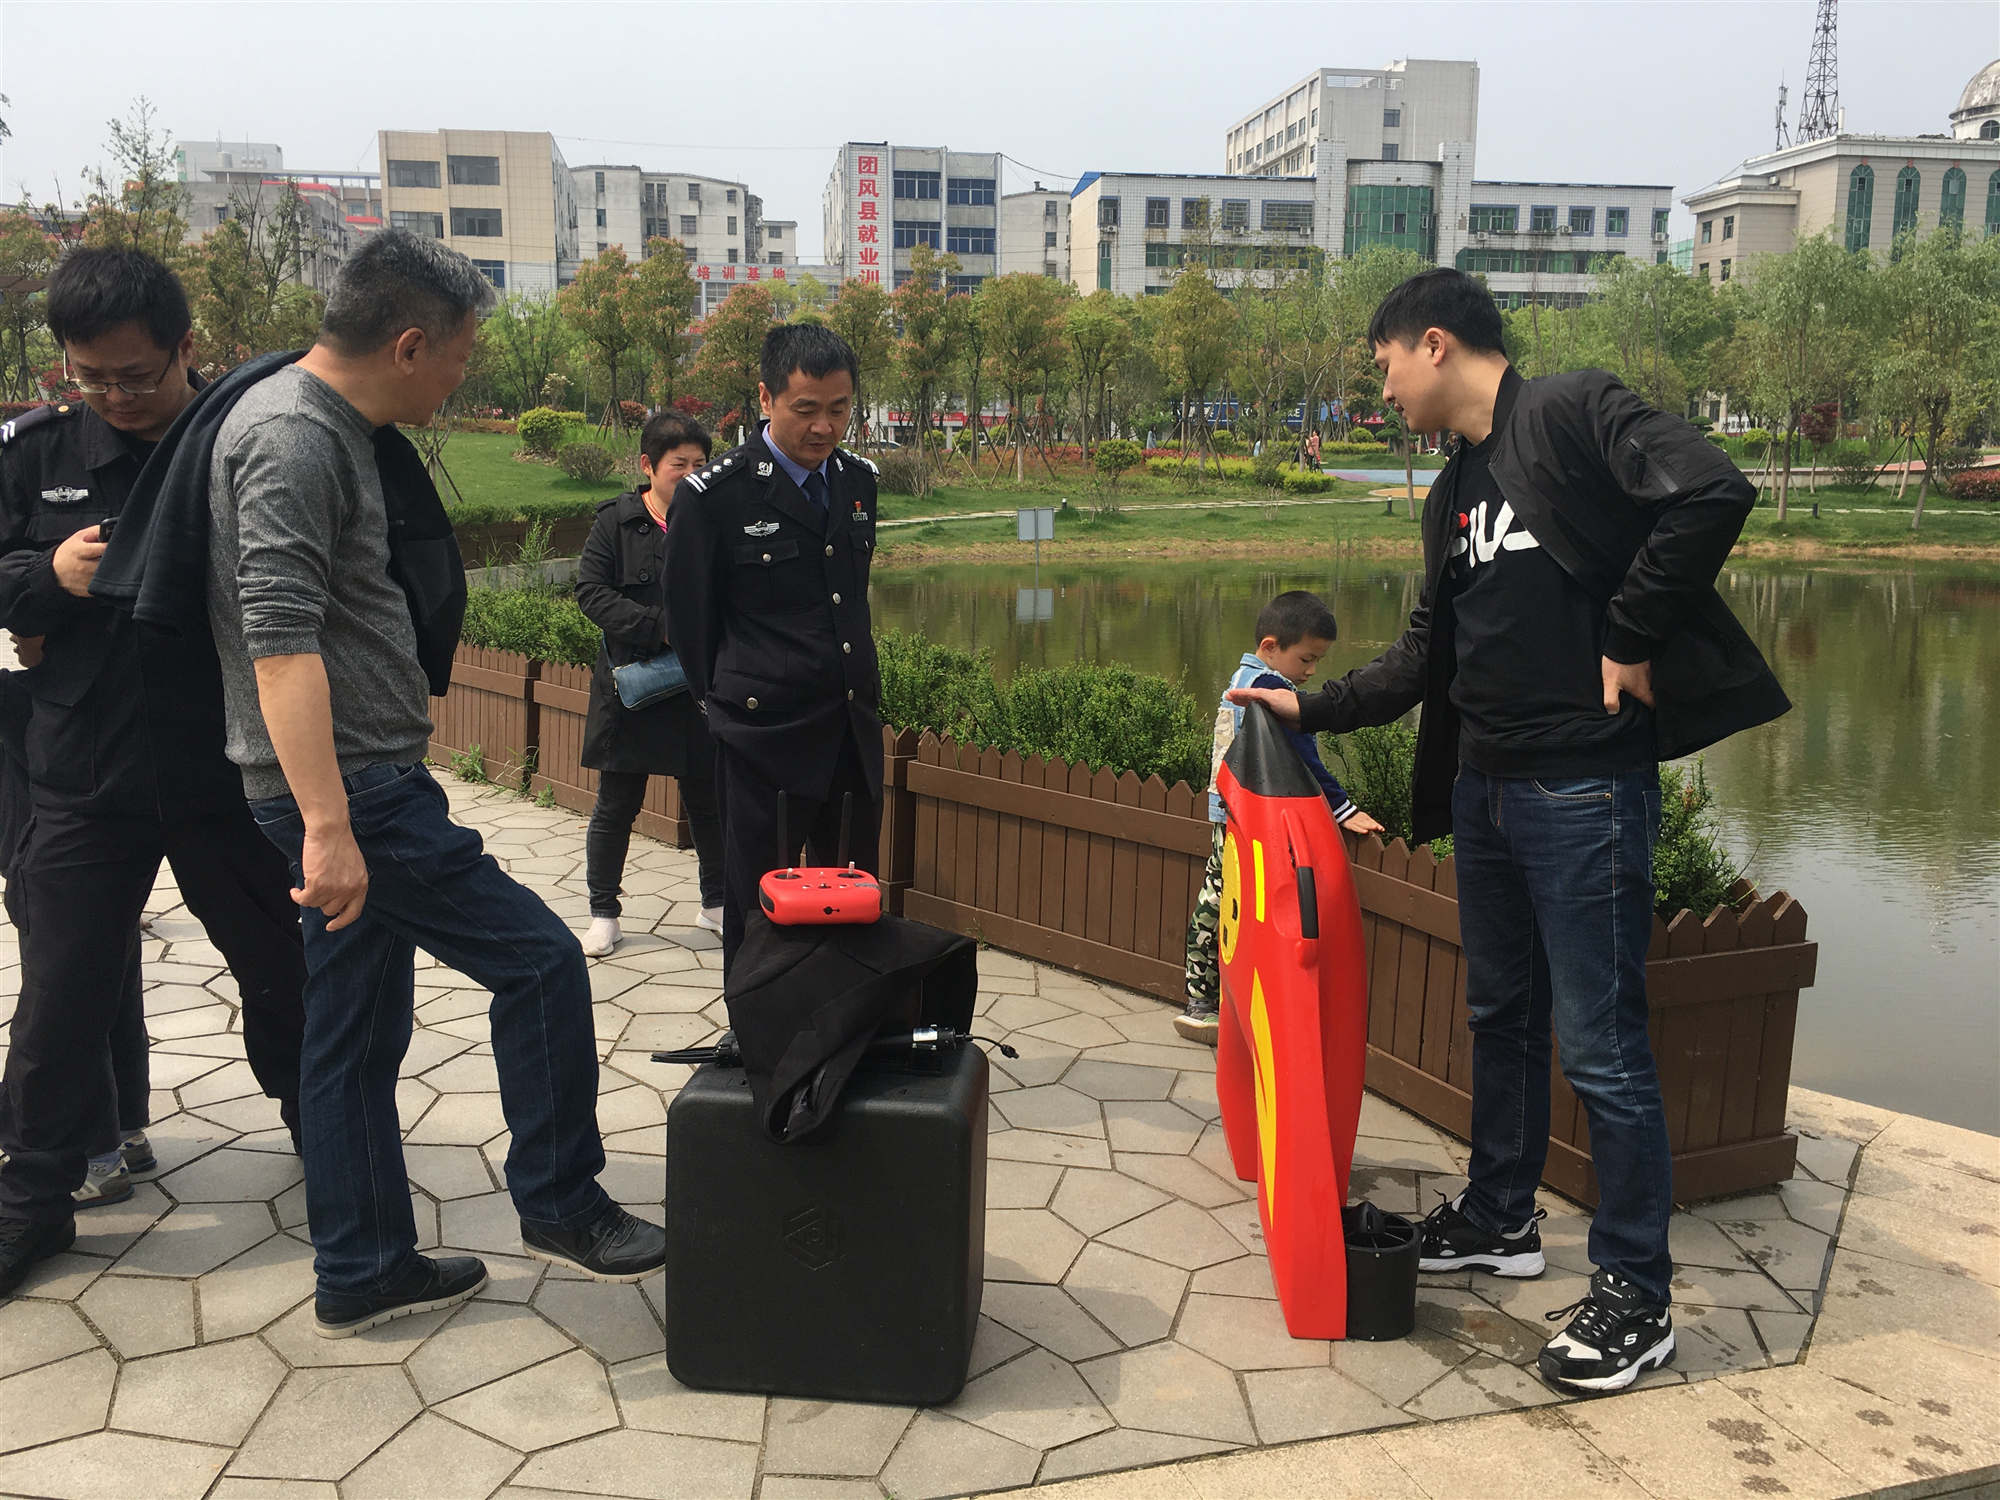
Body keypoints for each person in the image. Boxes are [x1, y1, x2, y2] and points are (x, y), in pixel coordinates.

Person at [1229, 268, 1787, 1395]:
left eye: (1383, 363)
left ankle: (1636, 1294)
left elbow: (1708, 490)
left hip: (1583, 790)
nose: (1381, 387)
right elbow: (1422, 653)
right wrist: (1310, 708)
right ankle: (1499, 1217)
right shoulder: (1452, 491)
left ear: (1433, 342)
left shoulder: (1570, 411)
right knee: (1502, 1020)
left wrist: (1629, 634)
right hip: (1485, 791)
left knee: (1602, 1048)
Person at [202, 230, 664, 1337]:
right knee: (540, 963)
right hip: (353, 795)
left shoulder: (319, 423)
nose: (462, 378)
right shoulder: (291, 437)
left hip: (350, 785)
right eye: (460, 356)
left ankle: (364, 1266)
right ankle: (561, 1201)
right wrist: (327, 826)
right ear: (409, 345)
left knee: (352, 1034)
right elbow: (278, 642)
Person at [0, 251, 310, 1296]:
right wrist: (49, 575)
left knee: (285, 973)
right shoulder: (37, 452)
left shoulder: (245, 435)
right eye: (91, 376)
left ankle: (331, 1144)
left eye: (135, 374)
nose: (115, 396)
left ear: (186, 347)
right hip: (84, 772)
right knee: (60, 994)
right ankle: (30, 1201)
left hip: (229, 771)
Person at [664, 324, 883, 971]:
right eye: (806, 409)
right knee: (761, 907)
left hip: (849, 732)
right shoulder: (715, 497)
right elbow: (690, 625)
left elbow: (849, 602)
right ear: (766, 398)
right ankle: (759, 1020)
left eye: (839, 409)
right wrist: (728, 707)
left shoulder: (858, 482)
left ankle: (843, 1018)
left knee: (852, 903)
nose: (824, 427)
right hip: (764, 740)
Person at [1176, 590, 1383, 1045]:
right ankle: (1212, 1004)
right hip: (1254, 816)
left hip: (1226, 809)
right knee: (1242, 904)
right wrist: (1343, 809)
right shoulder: (1272, 689)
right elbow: (1305, 757)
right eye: (1306, 659)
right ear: (1271, 646)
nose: (1311, 671)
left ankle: (1204, 999)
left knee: (1220, 896)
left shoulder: (1241, 676)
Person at [577, 411, 725, 956]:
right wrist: (661, 629)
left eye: (700, 464)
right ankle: (603, 913)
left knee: (709, 802)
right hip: (632, 686)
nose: (690, 474)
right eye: (678, 464)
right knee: (616, 804)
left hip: (698, 689)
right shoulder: (614, 522)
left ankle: (716, 904)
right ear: (648, 465)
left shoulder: (714, 521)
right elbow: (591, 592)